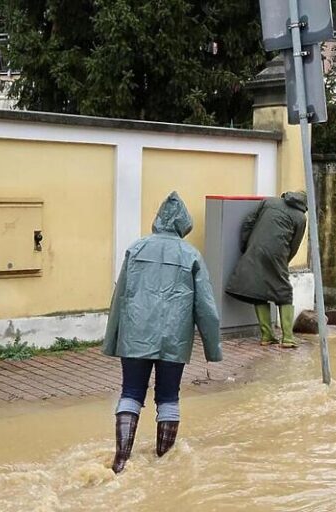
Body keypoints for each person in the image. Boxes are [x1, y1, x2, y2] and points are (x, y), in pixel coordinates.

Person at [103, 191, 222, 474]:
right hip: (174, 338)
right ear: (183, 225)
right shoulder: (191, 254)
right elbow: (206, 307)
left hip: (135, 335)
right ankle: (163, 463)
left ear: (158, 220)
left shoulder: (136, 249)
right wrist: (212, 349)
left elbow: (119, 297)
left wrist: (112, 340)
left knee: (131, 392)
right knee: (168, 397)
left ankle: (121, 459)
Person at [225, 191, 307, 348]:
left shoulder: (268, 202)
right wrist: (284, 262)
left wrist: (247, 245)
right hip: (278, 254)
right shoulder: (301, 217)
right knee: (284, 293)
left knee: (258, 290)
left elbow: (248, 221)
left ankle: (267, 336)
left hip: (255, 248)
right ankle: (288, 338)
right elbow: (294, 245)